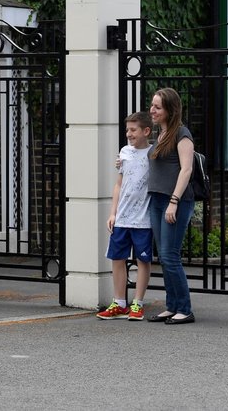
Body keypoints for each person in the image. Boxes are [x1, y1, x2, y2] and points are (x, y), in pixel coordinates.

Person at [145, 87, 196, 324]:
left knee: (170, 255)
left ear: (170, 109)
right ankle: (172, 305)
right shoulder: (160, 133)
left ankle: (184, 309)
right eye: (152, 105)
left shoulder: (181, 134)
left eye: (157, 107)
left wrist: (173, 202)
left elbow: (186, 170)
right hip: (157, 200)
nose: (152, 110)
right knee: (164, 257)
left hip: (174, 201)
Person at [96, 110, 153, 321]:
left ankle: (137, 303)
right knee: (117, 258)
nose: (129, 134)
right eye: (127, 130)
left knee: (142, 260)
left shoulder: (153, 154)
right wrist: (113, 213)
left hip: (143, 219)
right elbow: (119, 184)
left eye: (133, 130)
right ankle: (119, 302)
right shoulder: (125, 152)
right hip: (122, 217)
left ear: (146, 131)